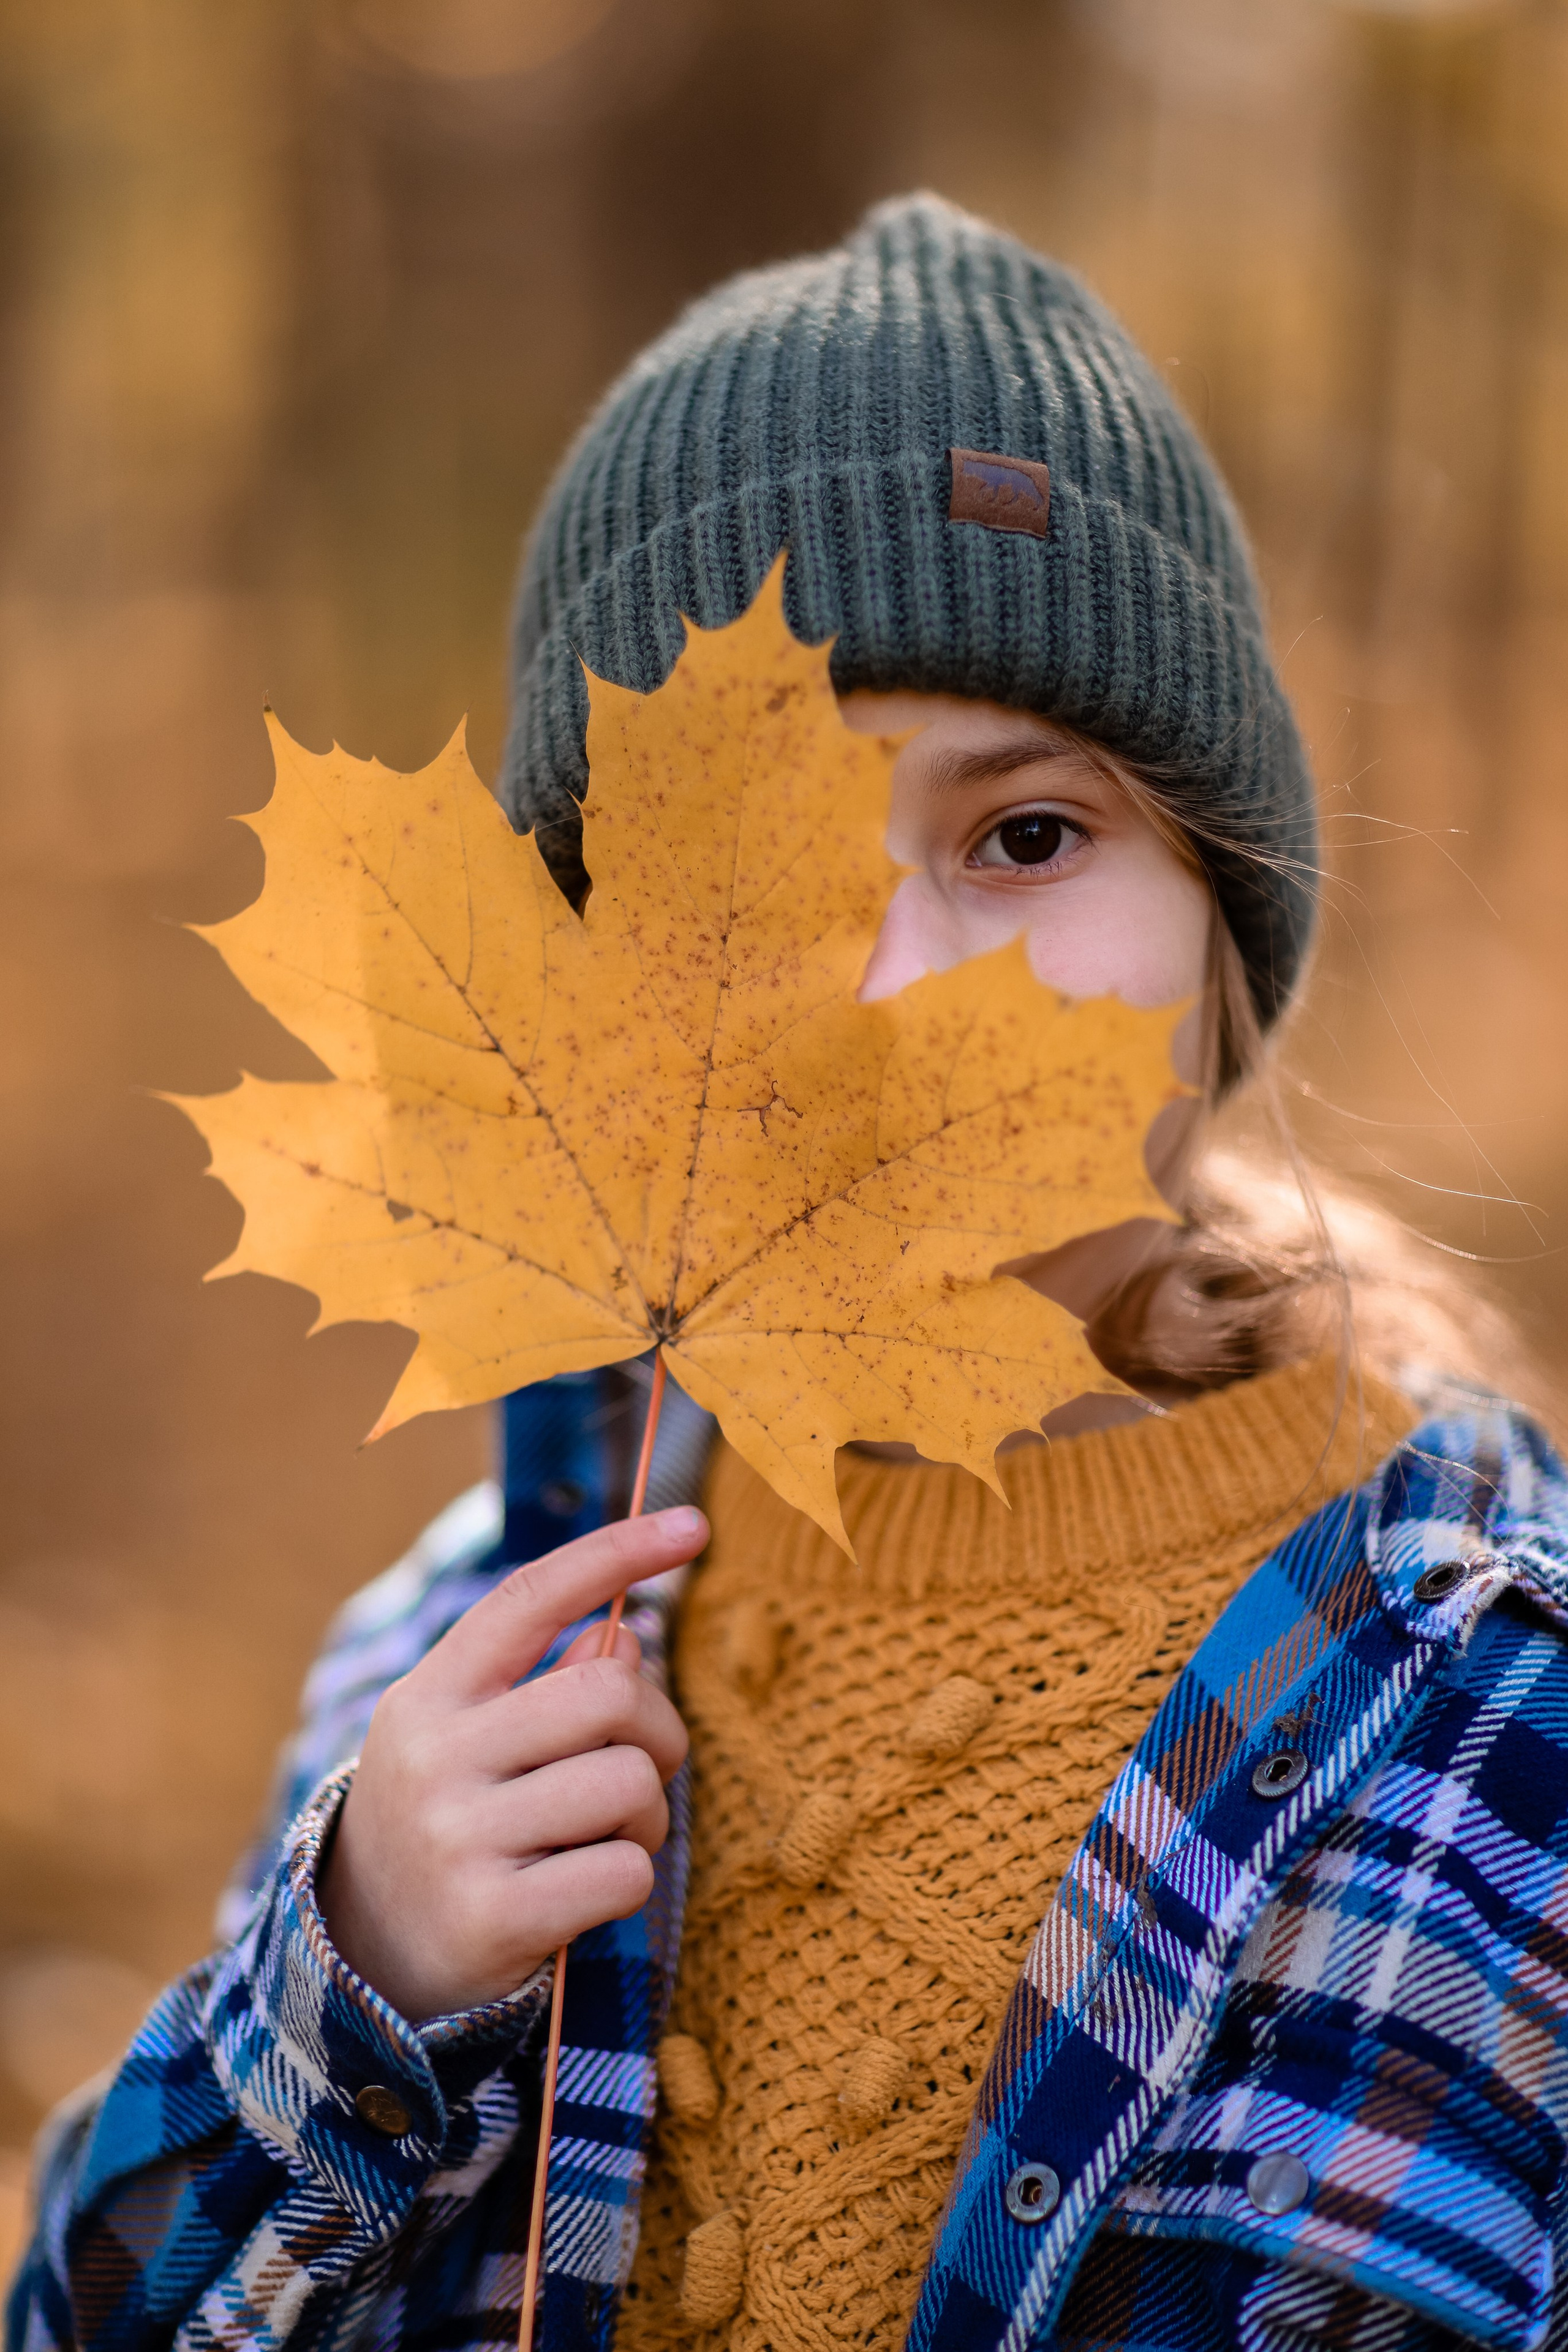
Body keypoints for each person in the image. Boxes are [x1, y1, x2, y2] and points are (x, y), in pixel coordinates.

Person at [12, 192, 1568, 2352]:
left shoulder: (1500, 1720)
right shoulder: (470, 1654)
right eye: (743, 897)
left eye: (1025, 837)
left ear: (1228, 936)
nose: (893, 989)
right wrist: (350, 1982)